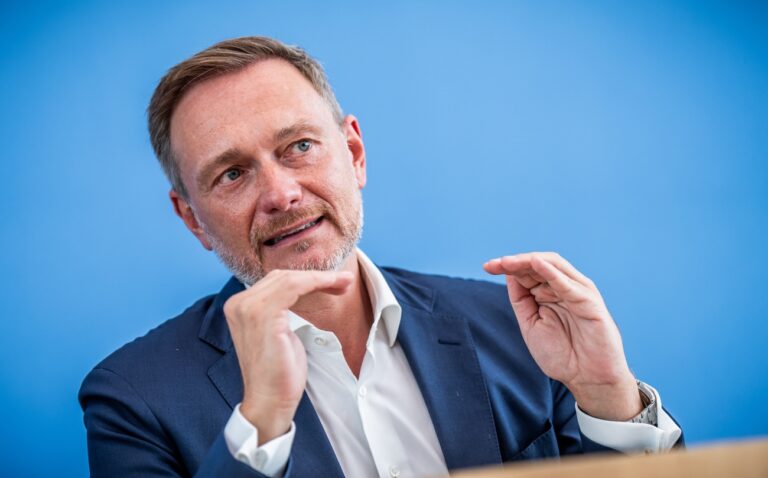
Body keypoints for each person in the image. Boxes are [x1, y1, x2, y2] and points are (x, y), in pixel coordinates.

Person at [79, 36, 682, 478]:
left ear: (355, 154)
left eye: (300, 147)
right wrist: (260, 422)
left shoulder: (518, 327)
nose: (281, 194)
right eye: (233, 173)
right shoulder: (133, 397)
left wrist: (608, 400)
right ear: (192, 220)